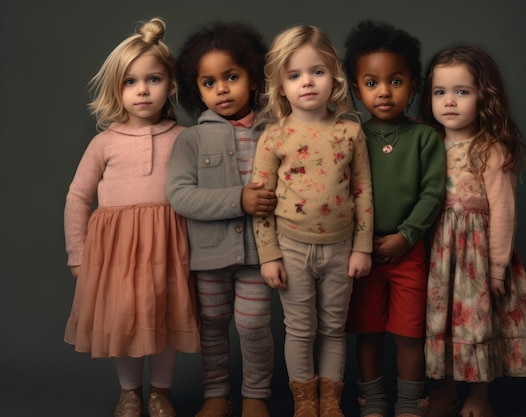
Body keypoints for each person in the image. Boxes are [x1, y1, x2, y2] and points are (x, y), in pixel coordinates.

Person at [63, 17, 200, 417]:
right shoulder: (103, 142)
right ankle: (129, 393)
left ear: (170, 85)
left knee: (167, 320)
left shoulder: (184, 138)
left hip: (170, 248)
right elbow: (77, 197)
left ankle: (161, 391)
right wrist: (77, 253)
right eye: (130, 82)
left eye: (153, 79)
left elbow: (197, 194)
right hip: (117, 253)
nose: (142, 90)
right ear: (116, 89)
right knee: (125, 323)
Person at [418, 45, 526, 417]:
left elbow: (504, 211)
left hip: (475, 257)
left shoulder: (490, 148)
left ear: (484, 96)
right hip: (437, 255)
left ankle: (478, 396)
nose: (449, 102)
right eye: (440, 92)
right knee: (440, 326)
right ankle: (444, 392)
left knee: (477, 326)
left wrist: (497, 267)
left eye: (462, 92)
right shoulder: (426, 143)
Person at [251, 24, 374, 417]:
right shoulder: (273, 137)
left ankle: (330, 402)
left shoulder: (350, 131)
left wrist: (362, 247)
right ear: (280, 85)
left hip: (341, 249)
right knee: (299, 330)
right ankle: (305, 403)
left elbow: (363, 193)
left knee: (333, 330)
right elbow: (261, 201)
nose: (307, 82)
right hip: (290, 247)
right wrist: (268, 255)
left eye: (317, 72)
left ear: (333, 77)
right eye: (294, 75)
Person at [166, 21, 276, 417]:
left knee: (253, 325)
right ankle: (216, 394)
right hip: (209, 257)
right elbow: (179, 195)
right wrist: (237, 200)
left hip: (259, 256)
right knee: (212, 325)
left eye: (231, 77)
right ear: (197, 88)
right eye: (209, 82)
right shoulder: (191, 139)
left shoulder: (273, 132)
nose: (222, 89)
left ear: (253, 78)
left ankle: (256, 396)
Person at [342, 20, 446, 417]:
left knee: (408, 335)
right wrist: (360, 241)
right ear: (356, 89)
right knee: (366, 334)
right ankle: (373, 402)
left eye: (396, 81)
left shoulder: (424, 138)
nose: (384, 91)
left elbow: (432, 193)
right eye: (372, 83)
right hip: (362, 254)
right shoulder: (351, 137)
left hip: (408, 252)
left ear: (414, 86)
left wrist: (406, 235)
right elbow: (344, 193)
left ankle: (408, 403)